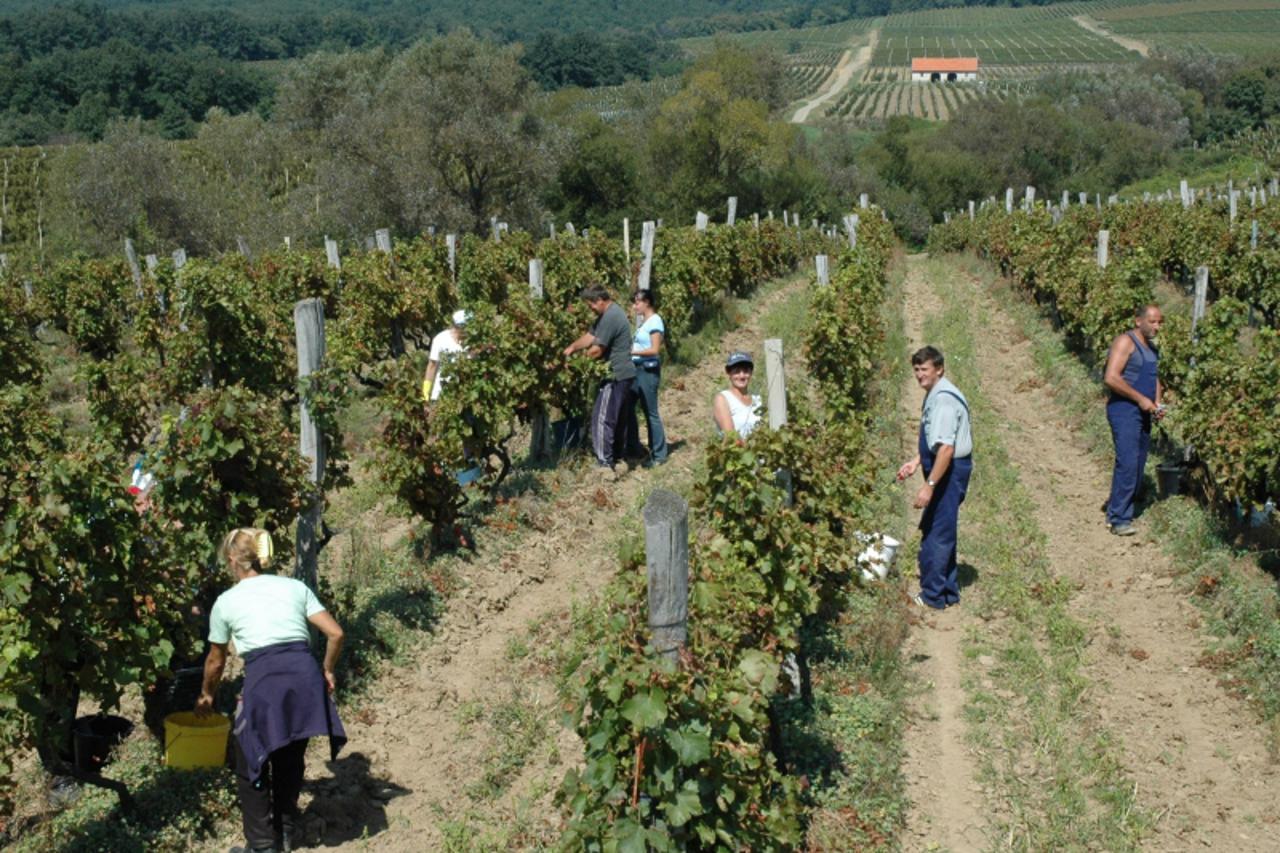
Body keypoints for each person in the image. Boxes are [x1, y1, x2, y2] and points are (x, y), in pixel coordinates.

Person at [198, 528, 347, 853]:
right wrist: (327, 670)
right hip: (304, 679)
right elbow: (335, 633)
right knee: (289, 757)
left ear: (232, 559)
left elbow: (215, 661)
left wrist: (207, 695)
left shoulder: (226, 602)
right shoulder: (294, 587)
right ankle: (285, 832)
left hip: (266, 682)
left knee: (251, 758)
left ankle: (263, 846)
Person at [896, 346, 973, 609]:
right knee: (941, 527)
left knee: (937, 533)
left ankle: (932, 596)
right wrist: (917, 461)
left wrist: (929, 486)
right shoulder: (936, 393)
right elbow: (937, 439)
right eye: (916, 369)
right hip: (946, 469)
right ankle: (947, 591)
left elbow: (947, 449)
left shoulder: (943, 400)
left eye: (924, 369)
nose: (919, 375)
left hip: (949, 473)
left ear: (939, 368)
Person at [1103, 303, 1164, 536]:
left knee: (1137, 466)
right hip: (1124, 410)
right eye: (1153, 321)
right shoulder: (1126, 342)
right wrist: (1140, 399)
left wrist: (1157, 402)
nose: (1157, 326)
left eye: (1160, 322)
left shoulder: (1152, 348)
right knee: (1127, 463)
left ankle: (1121, 507)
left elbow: (1155, 377)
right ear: (1138, 321)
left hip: (1143, 412)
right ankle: (1118, 519)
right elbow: (1111, 378)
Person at [563, 285, 638, 476]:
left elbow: (597, 349)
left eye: (591, 306)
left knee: (603, 418)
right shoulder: (607, 316)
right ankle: (618, 458)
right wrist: (572, 347)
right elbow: (591, 336)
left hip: (615, 374)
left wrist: (576, 364)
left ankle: (605, 464)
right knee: (617, 417)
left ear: (600, 301)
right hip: (623, 374)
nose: (590, 309)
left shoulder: (612, 316)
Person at [625, 289, 668, 465]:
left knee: (650, 412)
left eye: (637, 302)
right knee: (628, 407)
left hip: (647, 370)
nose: (635, 306)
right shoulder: (644, 322)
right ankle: (634, 447)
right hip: (637, 369)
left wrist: (631, 352)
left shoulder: (655, 321)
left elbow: (655, 349)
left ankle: (659, 455)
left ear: (647, 302)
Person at [423, 309, 470, 403]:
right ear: (460, 326)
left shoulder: (472, 341)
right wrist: (426, 392)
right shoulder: (441, 339)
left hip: (465, 397)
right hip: (441, 395)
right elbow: (432, 365)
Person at [712, 351, 762, 437]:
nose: (742, 376)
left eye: (746, 371)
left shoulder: (757, 400)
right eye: (737, 371)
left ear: (751, 373)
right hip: (736, 450)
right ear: (729, 373)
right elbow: (731, 437)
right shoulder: (723, 399)